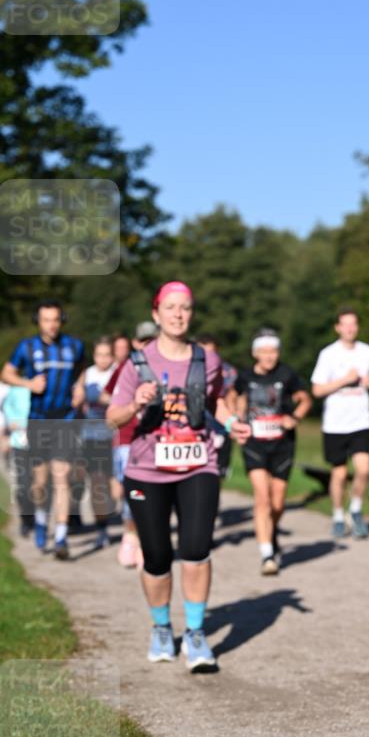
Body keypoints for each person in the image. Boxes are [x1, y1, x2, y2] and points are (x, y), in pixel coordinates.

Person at [106, 281, 251, 672]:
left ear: (191, 313)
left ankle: (196, 634)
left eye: (185, 307)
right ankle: (160, 627)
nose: (178, 314)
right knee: (156, 556)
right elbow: (112, 416)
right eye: (170, 307)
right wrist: (135, 404)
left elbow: (214, 402)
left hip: (197, 463)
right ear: (156, 314)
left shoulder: (208, 360)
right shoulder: (135, 364)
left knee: (196, 548)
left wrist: (232, 422)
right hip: (146, 469)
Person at [0, 300, 84, 559]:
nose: (52, 325)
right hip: (38, 419)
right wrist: (28, 383)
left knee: (62, 477)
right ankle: (39, 519)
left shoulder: (75, 346)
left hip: (65, 419)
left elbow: (81, 371)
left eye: (56, 319)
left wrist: (79, 387)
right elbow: (6, 374)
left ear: (62, 320)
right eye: (46, 320)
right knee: (41, 480)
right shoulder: (26, 347)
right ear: (39, 321)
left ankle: (60, 537)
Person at [233, 328, 311, 575]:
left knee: (277, 503)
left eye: (273, 351)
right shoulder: (245, 376)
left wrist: (295, 417)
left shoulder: (287, 374)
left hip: (282, 444)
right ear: (256, 353)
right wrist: (237, 416)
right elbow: (233, 396)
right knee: (262, 497)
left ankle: (271, 532)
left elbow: (305, 399)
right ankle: (267, 553)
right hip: (255, 444)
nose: (269, 356)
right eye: (264, 351)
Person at [311, 307, 369, 539]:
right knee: (340, 474)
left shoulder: (368, 352)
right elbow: (317, 389)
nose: (350, 328)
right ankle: (338, 516)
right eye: (345, 324)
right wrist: (345, 380)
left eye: (353, 324)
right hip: (335, 423)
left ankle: (356, 510)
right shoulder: (328, 354)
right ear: (338, 327)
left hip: (360, 421)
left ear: (357, 327)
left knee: (363, 470)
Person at [104, 322, 158, 568]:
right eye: (143, 341)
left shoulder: (167, 363)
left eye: (153, 340)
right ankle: (130, 535)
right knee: (133, 493)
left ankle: (147, 539)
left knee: (155, 495)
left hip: (160, 441)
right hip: (128, 439)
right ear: (136, 343)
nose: (148, 345)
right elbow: (109, 396)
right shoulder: (129, 366)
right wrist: (131, 405)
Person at [75, 337, 116, 551]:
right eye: (99, 355)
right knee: (98, 483)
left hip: (116, 436)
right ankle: (102, 528)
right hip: (92, 437)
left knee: (117, 485)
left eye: (107, 355)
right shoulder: (87, 375)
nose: (103, 359)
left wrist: (105, 399)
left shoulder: (119, 373)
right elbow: (78, 401)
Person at [196, 333, 238, 480]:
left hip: (219, 424)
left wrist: (232, 423)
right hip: (196, 426)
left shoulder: (227, 371)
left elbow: (231, 397)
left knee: (218, 468)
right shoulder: (187, 368)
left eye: (211, 352)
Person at [2, 385, 35, 536]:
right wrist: (11, 421)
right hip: (20, 442)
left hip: (40, 442)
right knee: (24, 483)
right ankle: (26, 519)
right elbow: (6, 405)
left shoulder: (44, 387)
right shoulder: (17, 389)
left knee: (39, 483)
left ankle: (37, 517)